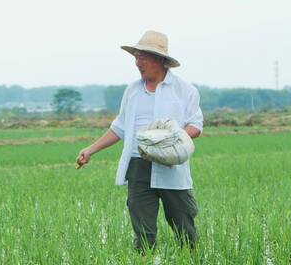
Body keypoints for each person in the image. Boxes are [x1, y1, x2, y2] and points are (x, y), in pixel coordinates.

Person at [76, 30, 204, 252]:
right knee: (143, 234)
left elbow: (196, 126)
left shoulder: (184, 90)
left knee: (184, 226)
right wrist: (91, 149)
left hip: (171, 165)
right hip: (138, 165)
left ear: (161, 60)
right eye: (136, 57)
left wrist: (169, 139)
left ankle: (191, 257)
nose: (138, 62)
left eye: (143, 57)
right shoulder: (133, 91)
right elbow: (120, 127)